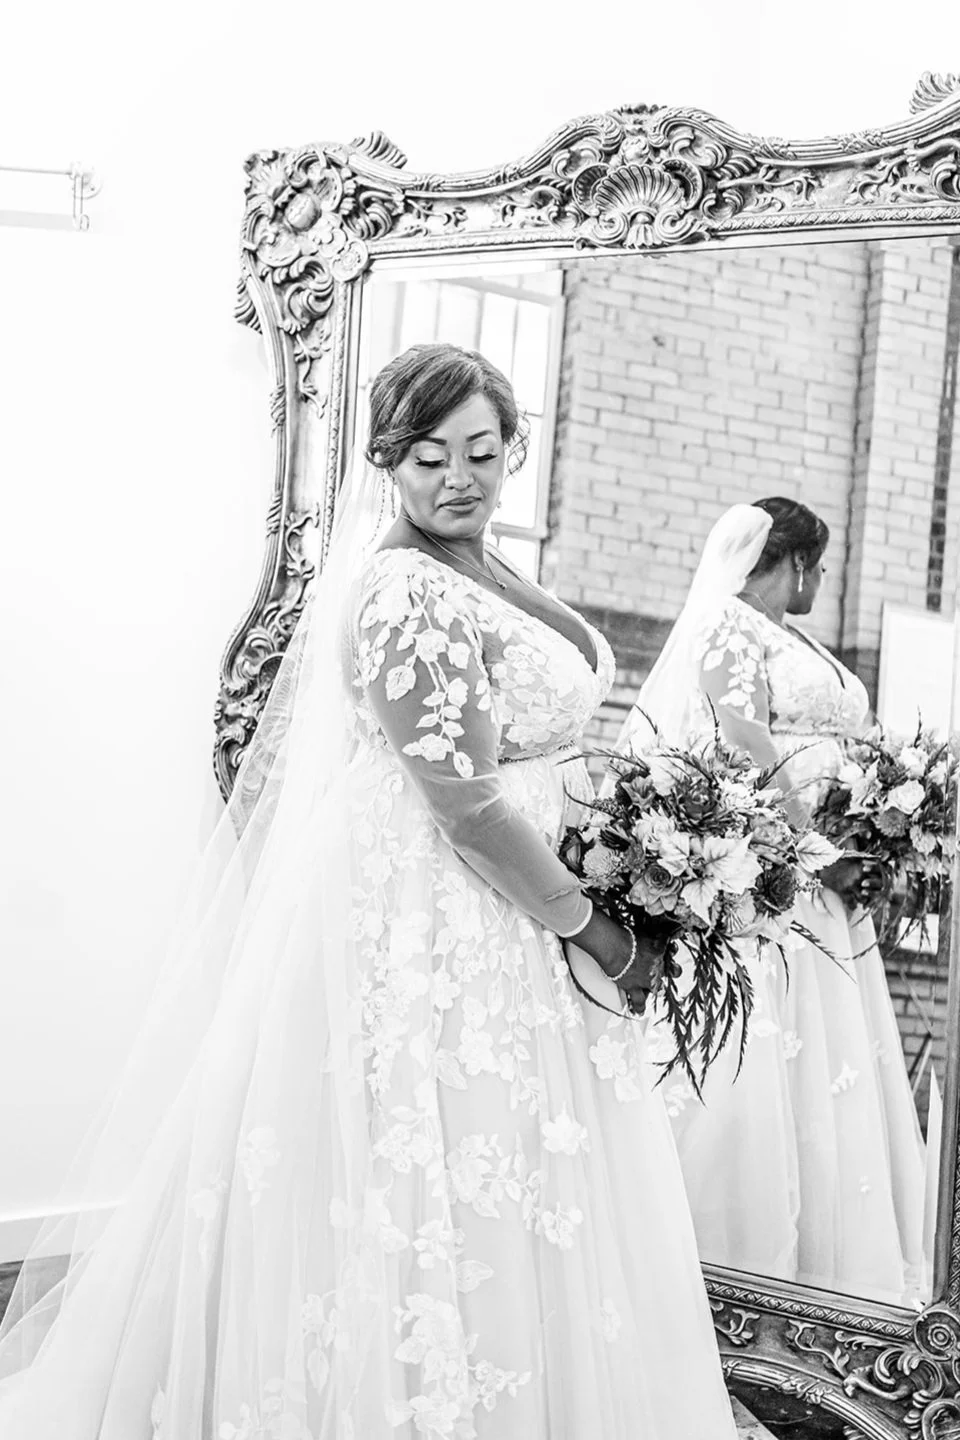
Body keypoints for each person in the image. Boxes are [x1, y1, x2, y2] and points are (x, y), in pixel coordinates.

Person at [0, 344, 738, 1438]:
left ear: (514, 448)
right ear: (389, 463)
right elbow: (471, 808)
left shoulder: (485, 570)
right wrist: (599, 933)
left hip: (498, 908)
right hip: (438, 914)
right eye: (430, 456)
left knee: (505, 1171)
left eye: (483, 452)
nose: (460, 478)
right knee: (423, 1167)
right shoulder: (406, 591)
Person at [615, 498, 927, 1305]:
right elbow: (742, 739)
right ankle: (725, 1269)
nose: (820, 581)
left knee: (829, 1067)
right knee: (760, 1059)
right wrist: (815, 847)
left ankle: (825, 1280)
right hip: (782, 879)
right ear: (789, 562)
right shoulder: (728, 623)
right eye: (816, 567)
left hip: (823, 878)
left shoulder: (791, 637)